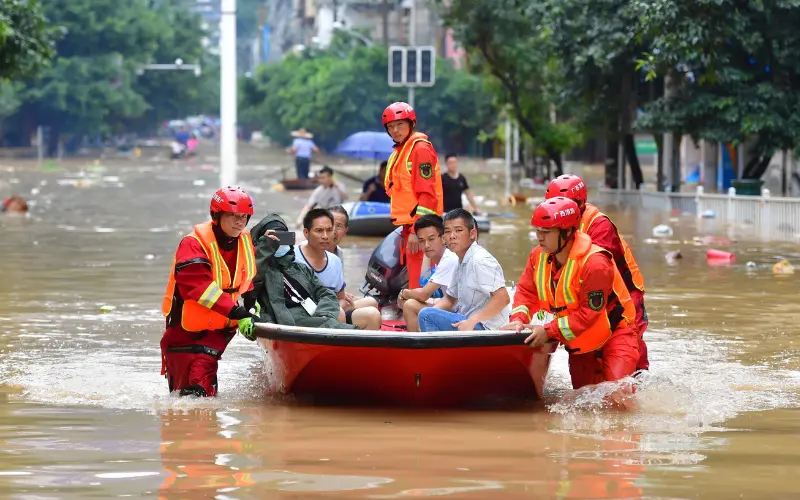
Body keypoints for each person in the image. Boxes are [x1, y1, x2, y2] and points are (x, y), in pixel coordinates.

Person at [502, 197, 639, 392]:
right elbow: (526, 291)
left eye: (546, 232)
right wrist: (518, 319)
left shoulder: (595, 264)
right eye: (537, 231)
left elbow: (588, 314)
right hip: (581, 340)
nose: (539, 237)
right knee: (584, 401)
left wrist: (548, 332)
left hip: (616, 334)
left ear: (567, 232)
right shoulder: (537, 256)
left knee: (618, 397)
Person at [160, 187, 261, 397]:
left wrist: (251, 302)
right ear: (216, 215)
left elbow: (245, 275)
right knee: (186, 396)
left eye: (244, 217)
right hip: (186, 331)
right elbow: (199, 287)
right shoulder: (193, 244)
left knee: (201, 391)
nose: (239, 222)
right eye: (233, 216)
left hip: (219, 330)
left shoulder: (244, 241)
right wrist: (238, 312)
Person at [545, 174, 649, 371]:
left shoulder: (599, 225)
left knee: (631, 339)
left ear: (581, 203)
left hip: (625, 291)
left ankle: (638, 378)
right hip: (593, 291)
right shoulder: (552, 231)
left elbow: (596, 267)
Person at [249, 213, 357, 330]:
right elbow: (250, 288)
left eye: (283, 236)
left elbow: (326, 293)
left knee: (355, 330)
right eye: (274, 237)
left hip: (314, 319)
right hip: (286, 324)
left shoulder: (299, 268)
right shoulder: (257, 270)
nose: (278, 241)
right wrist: (264, 248)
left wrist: (324, 314)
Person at [381, 101, 444, 290]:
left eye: (400, 124)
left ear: (411, 124)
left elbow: (427, 194)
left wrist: (418, 231)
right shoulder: (400, 151)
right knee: (415, 278)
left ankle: (419, 317)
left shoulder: (419, 149)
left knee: (421, 281)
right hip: (410, 226)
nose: (395, 130)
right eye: (390, 127)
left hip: (421, 227)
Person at [417, 209, 510, 332]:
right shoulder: (459, 260)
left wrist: (472, 321)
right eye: (447, 231)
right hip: (467, 320)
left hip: (486, 328)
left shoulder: (480, 260)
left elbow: (502, 298)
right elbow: (450, 299)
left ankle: (436, 350)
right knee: (426, 314)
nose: (452, 236)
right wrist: (433, 313)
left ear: (472, 233)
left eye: (458, 230)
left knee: (426, 315)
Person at [294, 208, 381, 330]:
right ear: (306, 233)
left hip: (331, 310)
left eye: (331, 229)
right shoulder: (292, 254)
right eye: (319, 230)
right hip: (303, 314)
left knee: (372, 311)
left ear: (346, 231)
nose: (326, 235)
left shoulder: (336, 260)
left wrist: (340, 303)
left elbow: (339, 297)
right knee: (339, 312)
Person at [397, 215, 458, 332]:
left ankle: (416, 345)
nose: (426, 245)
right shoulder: (440, 259)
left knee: (410, 305)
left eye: (431, 239)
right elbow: (424, 285)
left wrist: (404, 293)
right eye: (421, 241)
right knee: (412, 302)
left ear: (444, 238)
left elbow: (424, 294)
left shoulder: (449, 259)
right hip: (452, 308)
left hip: (461, 315)